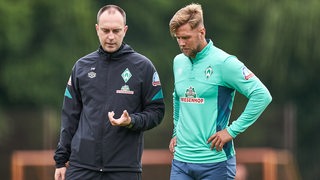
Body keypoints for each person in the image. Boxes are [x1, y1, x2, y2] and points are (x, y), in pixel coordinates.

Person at [53, 4, 165, 180]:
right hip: (81, 167)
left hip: (124, 169)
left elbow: (157, 111)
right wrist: (61, 160)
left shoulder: (143, 67)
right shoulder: (81, 67)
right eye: (105, 30)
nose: (111, 36)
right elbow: (69, 116)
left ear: (125, 30)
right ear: (97, 29)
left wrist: (132, 121)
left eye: (116, 30)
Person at [168, 3, 272, 180]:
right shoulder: (178, 61)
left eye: (185, 37)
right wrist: (176, 132)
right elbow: (177, 97)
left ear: (202, 32)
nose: (181, 43)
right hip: (181, 162)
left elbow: (262, 95)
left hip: (215, 162)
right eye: (177, 38)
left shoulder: (224, 63)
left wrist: (231, 131)